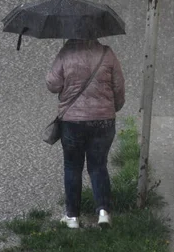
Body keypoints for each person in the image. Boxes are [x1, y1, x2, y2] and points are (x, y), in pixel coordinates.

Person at [46, 39, 125, 229]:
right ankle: (103, 212)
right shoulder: (107, 53)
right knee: (98, 166)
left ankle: (72, 217)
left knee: (72, 167)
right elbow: (119, 87)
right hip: (104, 120)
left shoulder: (66, 52)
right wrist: (112, 108)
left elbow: (53, 84)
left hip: (73, 122)